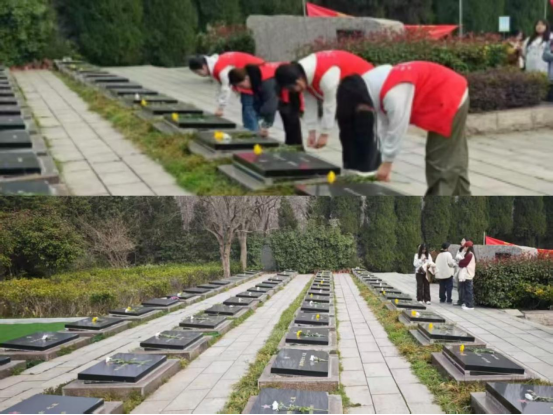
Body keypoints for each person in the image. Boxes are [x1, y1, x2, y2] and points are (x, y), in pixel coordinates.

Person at [339, 61, 470, 196]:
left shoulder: (394, 93)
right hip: (446, 90)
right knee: (454, 158)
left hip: (449, 96)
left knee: (440, 162)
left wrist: (387, 163)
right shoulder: (369, 84)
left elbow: (397, 128)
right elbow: (383, 126)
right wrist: (379, 160)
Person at [275, 51, 374, 149]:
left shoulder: (326, 75)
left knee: (359, 132)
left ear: (298, 81)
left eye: (292, 89)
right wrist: (311, 132)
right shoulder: (302, 74)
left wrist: (325, 134)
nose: (293, 92)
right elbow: (309, 104)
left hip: (367, 84)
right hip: (350, 92)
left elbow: (330, 105)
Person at [228, 62, 304, 147]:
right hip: (282, 89)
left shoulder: (266, 81)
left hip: (291, 86)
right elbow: (258, 104)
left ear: (246, 79)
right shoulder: (255, 77)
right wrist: (261, 124)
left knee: (290, 118)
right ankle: (291, 145)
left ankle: (295, 147)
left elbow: (270, 107)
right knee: (286, 117)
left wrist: (265, 126)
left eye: (241, 85)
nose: (241, 88)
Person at [188, 52, 265, 131]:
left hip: (257, 74)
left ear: (204, 67)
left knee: (248, 107)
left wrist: (221, 108)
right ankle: (256, 129)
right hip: (253, 74)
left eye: (198, 72)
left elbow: (226, 88)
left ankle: (252, 132)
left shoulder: (221, 69)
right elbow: (220, 86)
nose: (198, 74)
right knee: (250, 107)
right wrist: (219, 104)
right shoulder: (216, 65)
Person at [335, 75, 382, 174]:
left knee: (365, 137)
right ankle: (353, 167)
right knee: (349, 135)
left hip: (361, 93)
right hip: (351, 94)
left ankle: (366, 169)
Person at [458, 241, 477, 311]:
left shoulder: (470, 254)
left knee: (468, 290)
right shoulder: (470, 254)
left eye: (465, 247)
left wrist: (460, 261)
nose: (464, 248)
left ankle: (470, 305)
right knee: (467, 290)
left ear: (468, 247)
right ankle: (467, 304)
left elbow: (462, 263)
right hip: (468, 275)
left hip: (468, 275)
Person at [454, 238, 467, 307]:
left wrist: (460, 258)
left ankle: (464, 301)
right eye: (461, 241)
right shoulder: (459, 250)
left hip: (464, 270)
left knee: (463, 286)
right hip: (458, 269)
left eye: (463, 241)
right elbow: (456, 258)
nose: (461, 242)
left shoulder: (468, 251)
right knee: (459, 287)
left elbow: (466, 260)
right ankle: (460, 300)